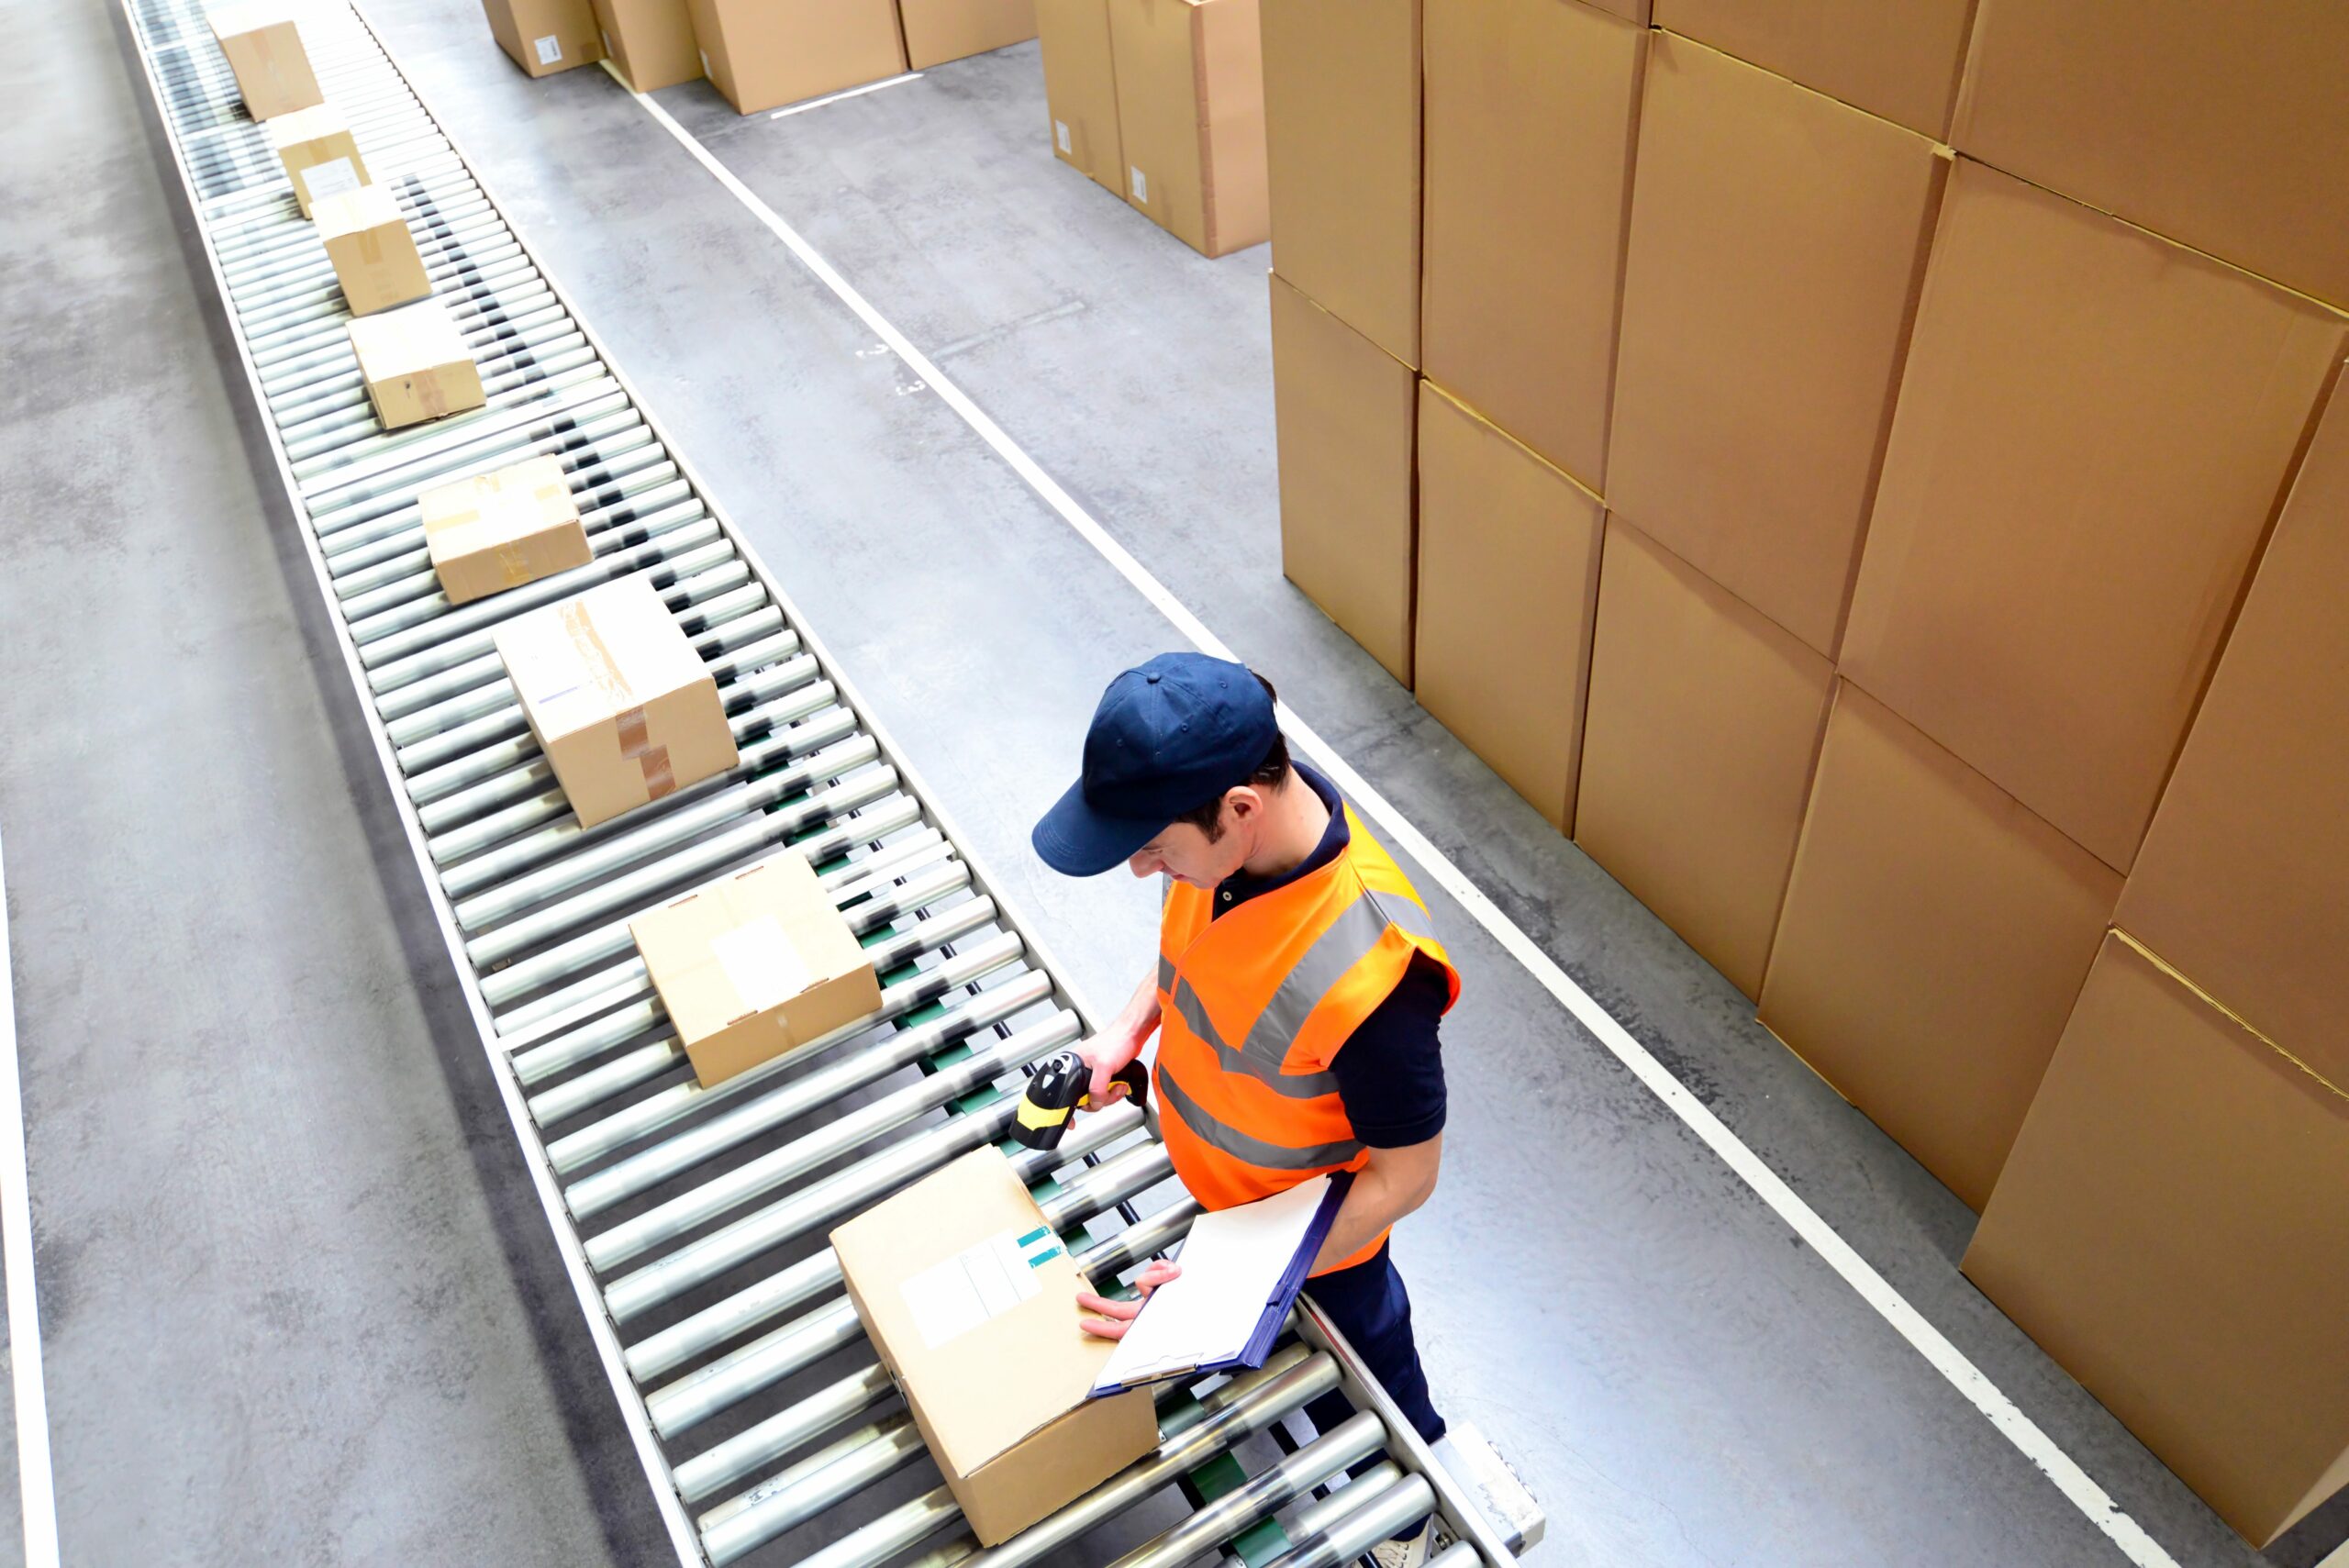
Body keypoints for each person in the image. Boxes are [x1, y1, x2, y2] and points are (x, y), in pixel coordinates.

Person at [1030, 651, 1465, 1568]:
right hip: (1229, 1197)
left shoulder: (1376, 978)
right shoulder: (1231, 834)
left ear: (1238, 807)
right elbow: (1199, 939)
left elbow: (1404, 1180)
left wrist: (1235, 1288)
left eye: (1152, 846)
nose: (1143, 866)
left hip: (1317, 1240)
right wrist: (1122, 1034)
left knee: (1364, 1368)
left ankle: (1411, 1518)